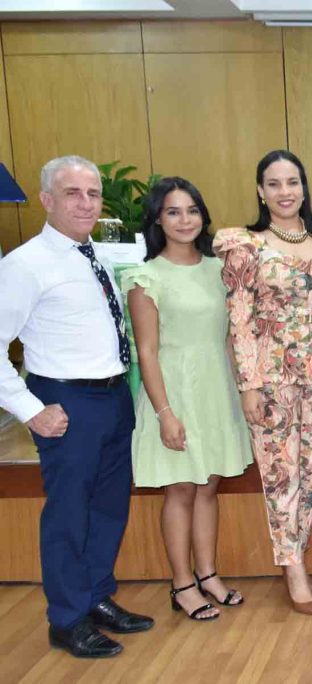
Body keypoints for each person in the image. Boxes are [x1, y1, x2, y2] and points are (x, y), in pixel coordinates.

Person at [0, 155, 154, 657]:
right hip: (65, 402)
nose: (86, 203)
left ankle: (95, 597)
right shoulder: (24, 265)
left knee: (108, 507)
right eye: (72, 193)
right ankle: (66, 619)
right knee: (68, 514)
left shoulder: (99, 257)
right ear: (47, 200)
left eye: (92, 193)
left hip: (112, 396)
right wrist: (30, 409)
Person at [214, 150, 312, 616]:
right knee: (279, 475)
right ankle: (294, 569)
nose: (284, 191)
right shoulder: (245, 245)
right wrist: (248, 384)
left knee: (306, 471)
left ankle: (298, 554)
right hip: (270, 378)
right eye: (274, 183)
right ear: (260, 191)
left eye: (292, 182)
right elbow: (239, 319)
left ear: (304, 188)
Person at [124, 177, 253, 621]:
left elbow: (231, 337)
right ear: (157, 219)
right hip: (173, 392)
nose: (185, 220)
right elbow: (146, 352)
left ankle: (208, 574)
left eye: (192, 210)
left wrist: (243, 391)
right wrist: (165, 414)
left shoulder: (220, 269)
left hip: (216, 389)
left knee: (209, 485)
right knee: (180, 488)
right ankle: (182, 584)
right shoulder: (146, 277)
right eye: (173, 212)